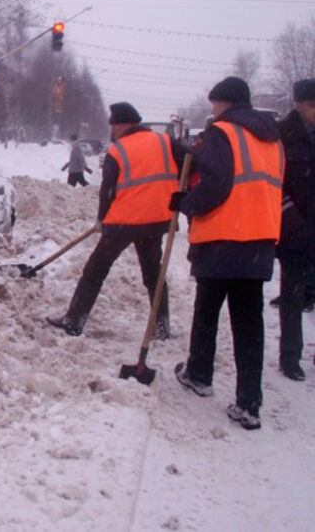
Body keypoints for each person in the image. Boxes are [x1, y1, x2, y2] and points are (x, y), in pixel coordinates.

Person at [171, 77, 283, 431]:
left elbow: (217, 185)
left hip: (222, 239)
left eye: (214, 104)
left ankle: (200, 374)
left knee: (207, 310)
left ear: (225, 103)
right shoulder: (273, 138)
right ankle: (249, 403)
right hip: (259, 240)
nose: (212, 110)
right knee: (249, 323)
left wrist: (187, 203)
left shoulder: (223, 132)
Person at [47, 102, 185, 339]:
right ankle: (161, 327)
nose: (111, 129)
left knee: (95, 270)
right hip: (157, 220)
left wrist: (102, 219)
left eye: (113, 124)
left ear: (123, 125)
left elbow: (107, 191)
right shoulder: (166, 142)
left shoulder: (118, 150)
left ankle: (74, 320)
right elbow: (188, 165)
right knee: (154, 274)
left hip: (124, 222)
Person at [274, 78, 315, 381]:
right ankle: (290, 356)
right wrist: (293, 222)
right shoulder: (281, 137)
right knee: (293, 295)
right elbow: (273, 185)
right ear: (298, 104)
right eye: (312, 105)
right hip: (294, 228)